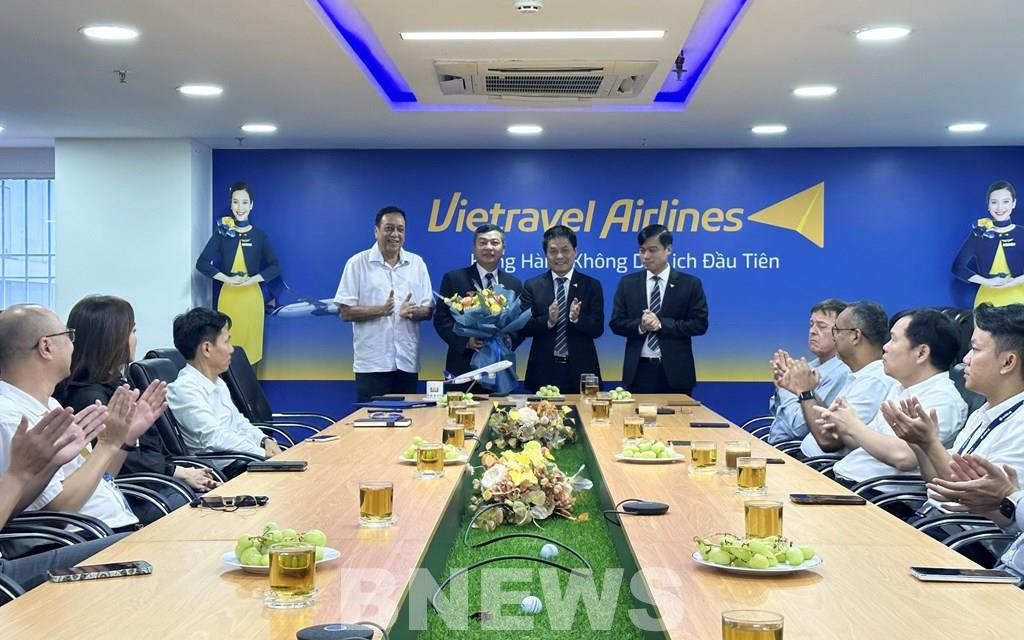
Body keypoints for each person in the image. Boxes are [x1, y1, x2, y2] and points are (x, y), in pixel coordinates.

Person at [0, 304, 164, 533]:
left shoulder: (51, 405)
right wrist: (106, 446)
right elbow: (57, 512)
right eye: (68, 335)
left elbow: (100, 479)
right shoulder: (12, 419)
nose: (73, 344)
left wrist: (120, 440)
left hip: (110, 526)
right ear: (46, 347)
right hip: (84, 535)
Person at [58, 295, 220, 523]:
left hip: (151, 481)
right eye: (132, 331)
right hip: (132, 493)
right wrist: (175, 472)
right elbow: (120, 463)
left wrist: (176, 469)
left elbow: (150, 445)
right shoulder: (89, 397)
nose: (136, 339)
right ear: (111, 339)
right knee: (189, 502)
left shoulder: (119, 383)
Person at [889, 303, 1024, 520]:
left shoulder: (1020, 426)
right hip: (933, 518)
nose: (965, 359)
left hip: (962, 533)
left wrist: (930, 443)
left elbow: (978, 498)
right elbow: (938, 482)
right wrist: (920, 444)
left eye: (976, 350)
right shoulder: (984, 411)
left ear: (1008, 362)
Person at [818, 309, 968, 487]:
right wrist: (842, 424)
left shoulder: (943, 399)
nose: (885, 347)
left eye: (894, 340)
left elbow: (904, 457)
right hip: (847, 480)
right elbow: (863, 442)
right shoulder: (901, 387)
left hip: (875, 494)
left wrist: (853, 426)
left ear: (921, 353)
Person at [0, 408, 130, 591]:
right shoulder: (8, 417)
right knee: (128, 549)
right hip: (7, 580)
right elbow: (55, 511)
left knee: (132, 545)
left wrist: (48, 465)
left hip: (8, 568)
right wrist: (19, 473)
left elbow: (9, 512)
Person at [335, 206, 434, 403]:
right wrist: (381, 310)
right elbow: (345, 312)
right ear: (376, 231)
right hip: (372, 364)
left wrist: (413, 312)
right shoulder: (357, 263)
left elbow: (428, 310)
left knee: (408, 419)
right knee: (371, 419)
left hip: (407, 362)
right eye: (389, 228)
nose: (395, 234)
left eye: (400, 229)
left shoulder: (417, 264)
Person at [788, 301, 899, 457]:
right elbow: (829, 420)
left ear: (855, 336)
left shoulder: (875, 381)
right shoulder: (858, 375)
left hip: (818, 467)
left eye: (837, 330)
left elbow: (829, 440)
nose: (834, 337)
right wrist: (809, 391)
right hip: (806, 458)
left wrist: (805, 393)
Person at [166, 307, 281, 458]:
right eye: (226, 342)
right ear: (207, 349)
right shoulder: (184, 389)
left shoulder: (217, 382)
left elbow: (238, 422)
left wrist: (264, 440)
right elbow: (215, 438)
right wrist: (262, 454)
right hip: (226, 468)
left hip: (247, 458)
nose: (231, 349)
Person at [610, 224, 708, 396]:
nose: (646, 256)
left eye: (652, 250)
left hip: (676, 374)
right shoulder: (628, 283)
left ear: (668, 249)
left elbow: (699, 324)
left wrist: (661, 325)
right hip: (638, 372)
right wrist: (641, 325)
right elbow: (616, 323)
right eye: (642, 251)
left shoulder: (690, 284)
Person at [196, 181, 281, 364]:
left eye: (244, 202)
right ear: (231, 204)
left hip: (252, 298)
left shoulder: (259, 236)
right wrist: (227, 279)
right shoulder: (222, 233)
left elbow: (275, 267)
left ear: (251, 205)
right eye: (236, 202)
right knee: (226, 348)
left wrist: (251, 280)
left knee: (251, 352)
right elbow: (202, 263)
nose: (240, 207)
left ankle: (249, 382)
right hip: (228, 297)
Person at [433, 223, 523, 390]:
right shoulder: (454, 278)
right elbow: (441, 320)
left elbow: (520, 323)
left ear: (503, 249)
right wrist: (466, 341)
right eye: (483, 242)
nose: (489, 247)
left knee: (500, 406)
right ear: (473, 248)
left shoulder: (514, 284)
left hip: (501, 367)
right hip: (464, 365)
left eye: (494, 243)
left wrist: (509, 339)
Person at [520, 226, 604, 393]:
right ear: (546, 254)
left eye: (565, 250)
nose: (559, 256)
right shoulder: (532, 285)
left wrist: (577, 319)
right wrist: (549, 321)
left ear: (575, 251)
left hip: (581, 369)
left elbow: (597, 329)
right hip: (543, 369)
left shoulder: (591, 285)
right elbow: (524, 327)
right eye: (553, 251)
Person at [925, 453, 1024, 579]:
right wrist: (1006, 516)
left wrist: (1007, 494)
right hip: (1004, 573)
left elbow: (905, 461)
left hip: (1010, 577)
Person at [766, 299, 851, 444]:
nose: (812, 331)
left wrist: (785, 390)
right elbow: (778, 412)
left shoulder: (841, 373)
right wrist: (785, 385)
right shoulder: (808, 367)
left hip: (792, 451)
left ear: (840, 332)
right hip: (775, 444)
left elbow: (799, 428)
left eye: (821, 326)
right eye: (811, 324)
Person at [952, 180, 1024, 308]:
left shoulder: (1022, 233)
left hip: (1019, 298)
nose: (1000, 207)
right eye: (994, 202)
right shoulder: (979, 233)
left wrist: (1014, 282)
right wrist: (986, 282)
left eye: (1005, 202)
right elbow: (957, 267)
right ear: (988, 205)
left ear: (1014, 203)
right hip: (986, 301)